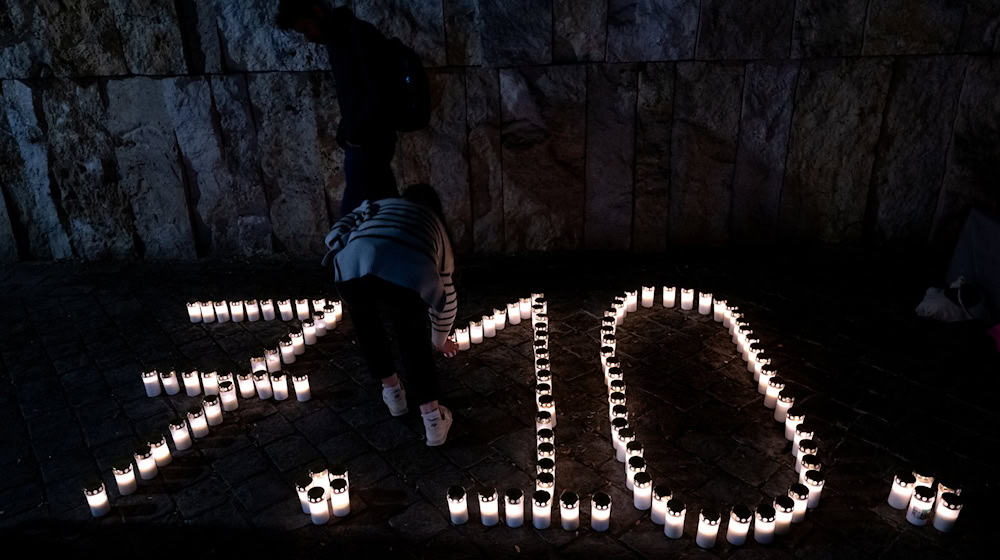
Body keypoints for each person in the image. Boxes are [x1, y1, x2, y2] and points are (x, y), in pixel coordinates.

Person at [322, 184, 459, 446]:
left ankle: (393, 394)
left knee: (367, 327)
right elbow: (447, 298)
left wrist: (338, 244)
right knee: (412, 339)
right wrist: (440, 340)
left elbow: (343, 224)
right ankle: (433, 423)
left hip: (353, 266)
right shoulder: (436, 229)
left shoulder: (379, 204)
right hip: (408, 272)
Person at [276, 0, 399, 215]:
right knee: (387, 209)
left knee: (349, 222)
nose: (309, 37)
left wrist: (353, 134)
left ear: (316, 12)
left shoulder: (354, 37)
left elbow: (378, 92)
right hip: (368, 139)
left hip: (367, 141)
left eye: (307, 28)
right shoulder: (343, 39)